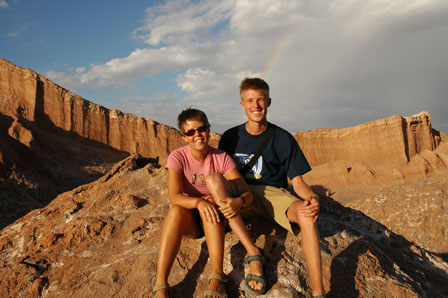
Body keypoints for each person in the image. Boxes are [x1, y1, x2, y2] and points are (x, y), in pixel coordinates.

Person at [218, 78, 326, 298]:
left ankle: (319, 292)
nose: (255, 105)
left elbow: (298, 182)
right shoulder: (230, 138)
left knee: (307, 217)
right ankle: (246, 260)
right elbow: (220, 176)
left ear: (268, 102)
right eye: (250, 100)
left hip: (273, 195)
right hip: (242, 194)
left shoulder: (283, 138)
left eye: (260, 100)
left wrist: (312, 198)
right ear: (242, 104)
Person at [153, 108, 266, 298]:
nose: (197, 134)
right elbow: (174, 196)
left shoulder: (221, 158)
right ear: (184, 136)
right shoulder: (177, 157)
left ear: (208, 129)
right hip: (191, 220)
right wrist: (199, 203)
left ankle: (217, 276)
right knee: (175, 211)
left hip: (217, 218)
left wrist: (237, 201)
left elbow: (246, 192)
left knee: (212, 204)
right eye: (191, 132)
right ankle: (161, 284)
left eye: (201, 129)